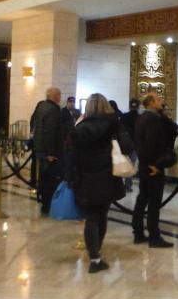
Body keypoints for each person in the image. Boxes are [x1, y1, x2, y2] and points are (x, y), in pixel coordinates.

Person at [70, 93, 133, 273]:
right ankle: (96, 253)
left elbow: (72, 153)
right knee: (102, 214)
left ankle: (94, 256)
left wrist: (71, 176)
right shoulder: (112, 124)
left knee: (90, 217)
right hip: (106, 175)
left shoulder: (80, 126)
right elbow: (127, 146)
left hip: (85, 175)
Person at [132, 93, 176, 248]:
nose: (161, 101)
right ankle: (154, 237)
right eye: (158, 99)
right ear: (150, 103)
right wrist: (155, 165)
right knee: (153, 203)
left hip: (144, 165)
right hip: (152, 167)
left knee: (142, 199)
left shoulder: (141, 118)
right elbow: (151, 143)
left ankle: (138, 233)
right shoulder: (152, 119)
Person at [29, 86, 67, 215]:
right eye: (59, 94)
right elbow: (49, 132)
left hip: (40, 149)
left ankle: (44, 203)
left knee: (44, 178)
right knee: (50, 180)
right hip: (49, 152)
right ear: (55, 96)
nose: (60, 97)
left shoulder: (42, 106)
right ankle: (48, 205)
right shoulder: (53, 110)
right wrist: (50, 153)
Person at [120, 99, 140, 193]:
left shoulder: (124, 116)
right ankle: (128, 185)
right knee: (131, 165)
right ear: (138, 106)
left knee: (121, 165)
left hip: (124, 144)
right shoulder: (140, 118)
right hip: (135, 145)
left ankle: (120, 185)